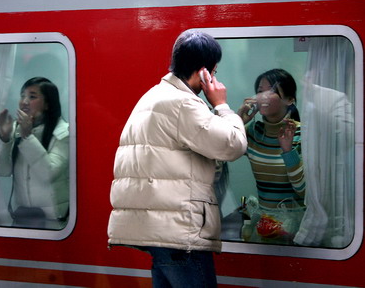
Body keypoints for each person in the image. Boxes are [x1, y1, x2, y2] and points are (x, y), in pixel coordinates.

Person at [107, 30, 247, 287]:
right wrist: (222, 106)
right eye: (214, 73)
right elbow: (233, 146)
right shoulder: (183, 104)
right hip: (180, 233)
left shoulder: (154, 96)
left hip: (162, 232)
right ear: (206, 71)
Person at [237, 68, 306, 244]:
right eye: (260, 91)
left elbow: (304, 191)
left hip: (296, 225)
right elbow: (217, 158)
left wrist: (288, 151)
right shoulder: (252, 131)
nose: (264, 96)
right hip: (265, 223)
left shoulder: (302, 133)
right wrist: (237, 122)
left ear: (290, 100)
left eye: (273, 91)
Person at [0, 77, 69, 229]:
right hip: (23, 217)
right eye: (22, 95)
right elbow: (3, 171)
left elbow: (48, 174)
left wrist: (27, 137)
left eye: (32, 97)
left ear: (48, 104)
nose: (24, 101)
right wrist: (5, 139)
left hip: (55, 221)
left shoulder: (64, 132)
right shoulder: (17, 128)